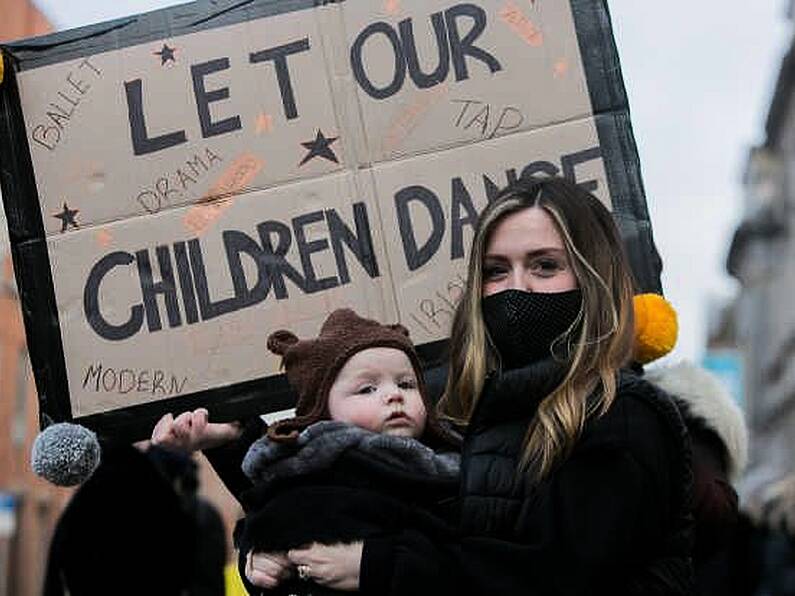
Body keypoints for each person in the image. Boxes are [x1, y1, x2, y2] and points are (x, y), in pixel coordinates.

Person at [164, 176, 694, 594]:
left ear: (593, 275)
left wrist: (377, 567)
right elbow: (363, 499)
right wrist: (277, 539)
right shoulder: (484, 409)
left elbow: (556, 574)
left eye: (545, 265)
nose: (517, 288)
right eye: (495, 271)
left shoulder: (620, 414)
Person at [157, 308, 461, 594]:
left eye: (407, 384)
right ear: (322, 410)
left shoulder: (457, 469)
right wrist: (264, 560)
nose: (394, 395)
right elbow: (272, 523)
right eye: (367, 389)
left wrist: (373, 563)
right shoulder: (303, 476)